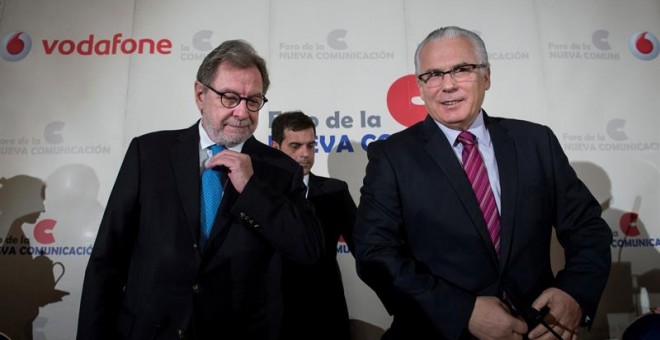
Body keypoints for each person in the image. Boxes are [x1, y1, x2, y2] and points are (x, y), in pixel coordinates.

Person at [353, 26, 612, 340]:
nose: (447, 86)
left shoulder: (535, 142)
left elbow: (587, 227)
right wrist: (463, 311)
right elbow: (375, 254)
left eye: (461, 70)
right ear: (420, 88)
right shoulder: (392, 156)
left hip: (536, 331)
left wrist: (574, 294)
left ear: (486, 76)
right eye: (432, 74)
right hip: (436, 333)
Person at [77, 40, 324, 340]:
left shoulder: (281, 169)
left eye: (254, 101)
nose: (243, 112)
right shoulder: (149, 153)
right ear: (200, 94)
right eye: (230, 98)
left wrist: (253, 190)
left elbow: (309, 250)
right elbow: (108, 259)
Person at [270, 110, 356, 340]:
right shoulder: (260, 193)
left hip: (325, 311)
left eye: (310, 146)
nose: (305, 154)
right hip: (274, 313)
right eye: (295, 146)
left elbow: (365, 248)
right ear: (275, 147)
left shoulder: (335, 191)